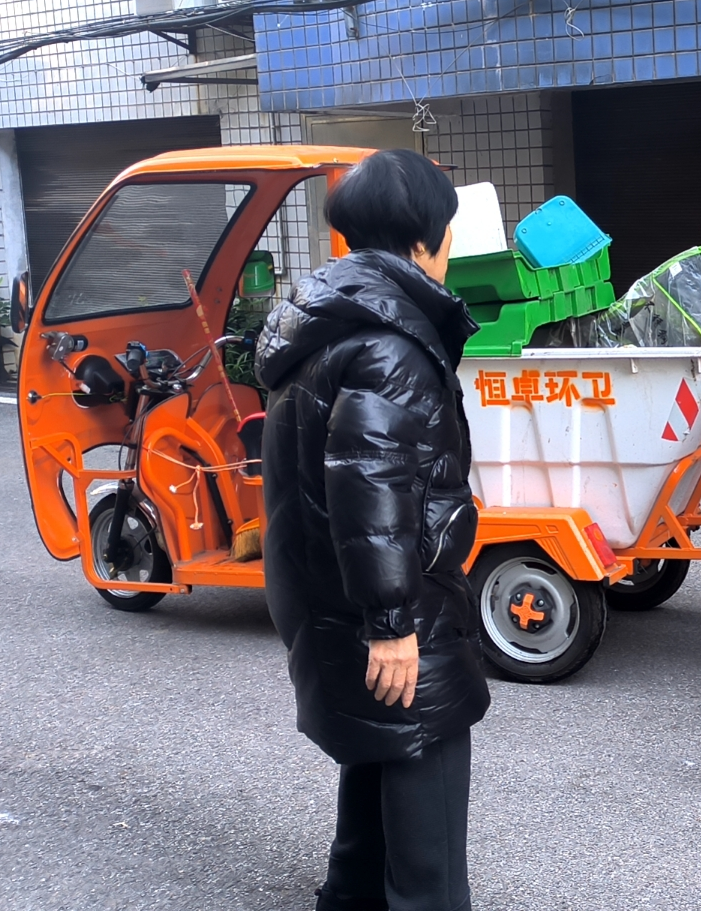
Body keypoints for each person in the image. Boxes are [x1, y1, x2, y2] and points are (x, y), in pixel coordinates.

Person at [256, 149, 490, 911]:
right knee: (429, 845)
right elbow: (369, 485)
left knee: (374, 766)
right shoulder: (390, 343)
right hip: (398, 611)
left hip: (332, 597)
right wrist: (392, 625)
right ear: (428, 236)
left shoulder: (331, 318)